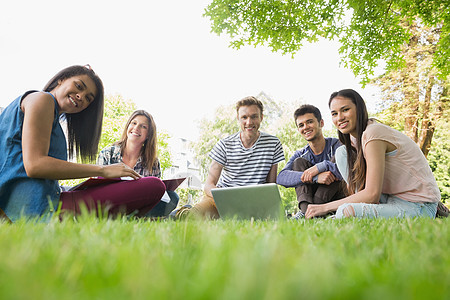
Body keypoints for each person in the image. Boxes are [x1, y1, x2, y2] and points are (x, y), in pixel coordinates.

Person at [0, 65, 165, 222]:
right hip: (33, 207)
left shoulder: (46, 110)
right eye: (79, 86)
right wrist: (103, 170)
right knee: (154, 186)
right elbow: (35, 165)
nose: (81, 97)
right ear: (61, 79)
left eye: (88, 98)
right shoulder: (42, 100)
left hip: (43, 196)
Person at [305, 89, 440, 219]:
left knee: (346, 211)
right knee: (341, 153)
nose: (339, 118)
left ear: (359, 109)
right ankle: (366, 211)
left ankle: (437, 210)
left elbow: (372, 194)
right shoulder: (354, 141)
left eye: (345, 110)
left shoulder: (373, 133)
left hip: (418, 205)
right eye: (334, 114)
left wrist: (324, 207)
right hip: (390, 199)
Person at [172, 96, 285, 219]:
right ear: (238, 118)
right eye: (244, 117)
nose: (249, 122)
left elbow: (270, 186)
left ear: (261, 117)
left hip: (254, 203)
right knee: (192, 217)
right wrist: (226, 200)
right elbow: (209, 185)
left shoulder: (273, 144)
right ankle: (183, 212)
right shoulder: (224, 144)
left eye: (254, 116)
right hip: (222, 200)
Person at [97, 109, 179, 218]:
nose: (136, 128)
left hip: (139, 205)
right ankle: (134, 218)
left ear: (149, 135)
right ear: (128, 126)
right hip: (113, 202)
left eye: (143, 126)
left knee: (173, 197)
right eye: (134, 123)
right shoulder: (107, 153)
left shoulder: (153, 162)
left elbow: (155, 194)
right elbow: (97, 188)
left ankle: (132, 218)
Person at [277, 104, 345, 218]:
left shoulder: (337, 145)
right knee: (298, 163)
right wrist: (315, 177)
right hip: (311, 201)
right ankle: (306, 211)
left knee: (336, 159)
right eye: (301, 125)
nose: (306, 127)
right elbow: (281, 177)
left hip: (336, 198)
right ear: (298, 130)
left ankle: (309, 213)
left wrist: (322, 167)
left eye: (309, 122)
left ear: (321, 123)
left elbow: (349, 169)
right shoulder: (301, 153)